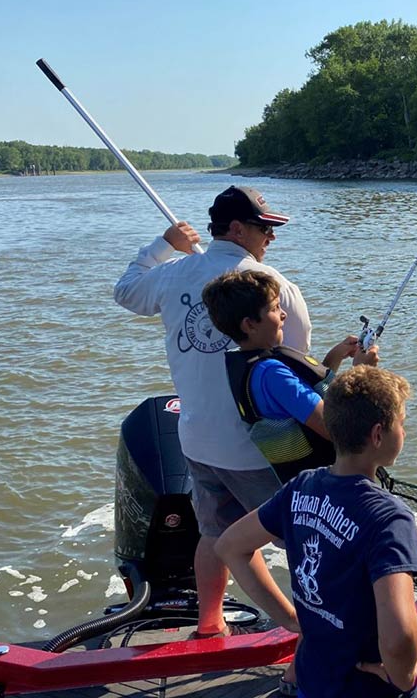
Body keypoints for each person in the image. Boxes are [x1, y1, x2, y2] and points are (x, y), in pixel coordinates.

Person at [113, 185, 312, 639]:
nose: (271, 239)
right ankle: (309, 627)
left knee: (214, 532)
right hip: (257, 448)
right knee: (303, 540)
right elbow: (299, 363)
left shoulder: (175, 272)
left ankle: (209, 624)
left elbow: (126, 291)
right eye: (265, 229)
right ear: (238, 229)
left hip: (197, 440)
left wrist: (164, 246)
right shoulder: (276, 286)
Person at [216, 366, 417, 698]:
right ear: (378, 435)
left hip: (313, 678)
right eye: (402, 424)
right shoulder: (389, 518)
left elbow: (230, 546)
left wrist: (292, 619)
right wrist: (405, 678)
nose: (405, 432)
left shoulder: (302, 487)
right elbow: (399, 636)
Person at [201, 269, 370, 482]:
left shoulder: (248, 365)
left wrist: (335, 356)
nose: (284, 314)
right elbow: (338, 430)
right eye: (274, 308)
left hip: (301, 487)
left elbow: (306, 397)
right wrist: (363, 372)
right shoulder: (273, 375)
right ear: (249, 325)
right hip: (330, 485)